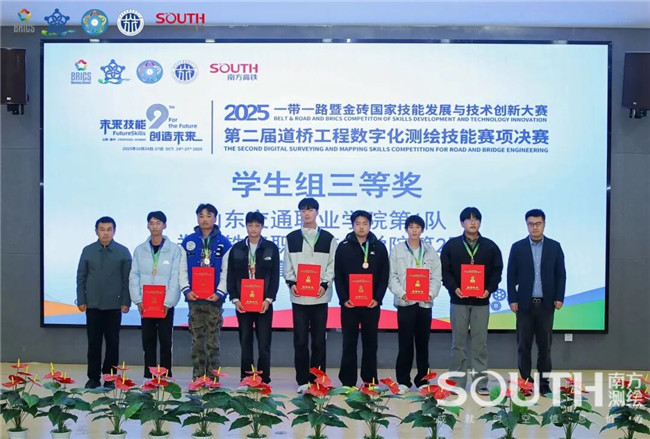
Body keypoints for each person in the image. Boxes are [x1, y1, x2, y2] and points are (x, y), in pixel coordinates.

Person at [440, 207, 503, 395]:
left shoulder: (490, 246)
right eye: (468, 219)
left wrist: (489, 289)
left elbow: (497, 271)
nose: (472, 222)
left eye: (476, 219)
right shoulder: (451, 246)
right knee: (457, 344)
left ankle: (480, 384)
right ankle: (456, 383)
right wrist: (454, 288)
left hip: (481, 302)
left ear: (480, 222)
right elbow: (445, 271)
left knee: (480, 344)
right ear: (462, 223)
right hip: (458, 301)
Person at [507, 209, 566, 395]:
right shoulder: (518, 247)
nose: (534, 227)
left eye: (538, 224)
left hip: (546, 305)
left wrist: (559, 297)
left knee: (545, 347)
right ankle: (525, 383)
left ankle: (544, 384)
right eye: (531, 224)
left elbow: (561, 275)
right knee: (523, 346)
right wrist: (512, 299)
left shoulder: (555, 247)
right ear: (527, 225)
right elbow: (510, 276)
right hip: (524, 305)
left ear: (544, 224)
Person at [283, 198, 337, 393]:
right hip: (299, 297)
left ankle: (318, 379)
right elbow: (287, 265)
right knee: (300, 341)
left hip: (320, 297)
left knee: (319, 341)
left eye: (310, 210)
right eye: (303, 210)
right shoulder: (291, 237)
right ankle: (302, 380)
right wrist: (292, 283)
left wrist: (324, 284)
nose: (307, 213)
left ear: (317, 212)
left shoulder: (329, 238)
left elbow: (332, 264)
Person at [334, 210, 389, 387]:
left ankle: (370, 381)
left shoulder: (379, 247)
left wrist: (377, 298)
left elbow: (384, 276)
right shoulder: (343, 247)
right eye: (357, 223)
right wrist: (344, 299)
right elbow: (338, 275)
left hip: (371, 304)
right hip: (349, 305)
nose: (361, 227)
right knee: (348, 343)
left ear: (370, 225)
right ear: (353, 225)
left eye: (365, 223)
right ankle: (347, 382)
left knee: (370, 344)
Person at [76, 216, 132, 389]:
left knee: (112, 343)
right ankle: (93, 377)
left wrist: (126, 301)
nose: (105, 233)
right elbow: (81, 277)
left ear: (114, 231)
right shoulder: (88, 251)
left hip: (114, 305)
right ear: (96, 231)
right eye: (102, 229)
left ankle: (110, 377)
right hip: (92, 304)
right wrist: (81, 299)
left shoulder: (123, 252)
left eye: (109, 229)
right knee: (94, 343)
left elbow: (127, 280)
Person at [388, 215, 442, 394]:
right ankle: (403, 381)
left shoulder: (430, 251)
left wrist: (430, 293)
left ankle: (422, 381)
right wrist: (401, 292)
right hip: (405, 302)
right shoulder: (397, 250)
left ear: (422, 230)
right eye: (411, 227)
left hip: (424, 304)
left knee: (422, 344)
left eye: (417, 227)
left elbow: (436, 277)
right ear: (406, 229)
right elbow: (392, 276)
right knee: (404, 344)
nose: (414, 230)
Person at [179, 203, 232, 379]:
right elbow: (182, 269)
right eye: (201, 216)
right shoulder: (188, 241)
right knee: (196, 341)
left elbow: (227, 271)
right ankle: (197, 377)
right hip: (194, 299)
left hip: (214, 300)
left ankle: (212, 378)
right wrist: (186, 290)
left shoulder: (224, 243)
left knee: (213, 342)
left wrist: (220, 292)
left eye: (209, 215)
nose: (204, 219)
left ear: (215, 218)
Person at [227, 211, 279, 384]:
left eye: (257, 225)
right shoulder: (237, 248)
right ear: (246, 226)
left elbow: (275, 276)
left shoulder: (271, 248)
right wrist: (235, 299)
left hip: (264, 304)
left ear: (262, 227)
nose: (253, 229)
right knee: (246, 342)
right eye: (250, 225)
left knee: (264, 343)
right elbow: (231, 276)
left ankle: (264, 379)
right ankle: (246, 378)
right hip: (243, 304)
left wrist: (269, 299)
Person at [129, 211, 182, 378]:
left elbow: (176, 277)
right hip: (146, 303)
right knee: (148, 341)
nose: (154, 226)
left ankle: (165, 375)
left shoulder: (174, 250)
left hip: (165, 304)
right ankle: (149, 376)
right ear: (147, 226)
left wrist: (169, 302)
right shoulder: (140, 250)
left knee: (166, 341)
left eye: (158, 223)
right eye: (151, 223)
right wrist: (138, 300)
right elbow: (134, 275)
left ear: (164, 225)